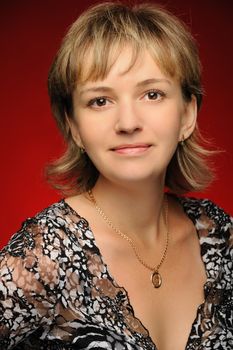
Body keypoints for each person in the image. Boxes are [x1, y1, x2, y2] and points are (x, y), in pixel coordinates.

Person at [0, 2, 232, 349]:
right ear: (74, 127)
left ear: (187, 115)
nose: (127, 123)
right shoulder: (44, 258)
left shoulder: (221, 237)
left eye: (152, 94)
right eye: (100, 101)